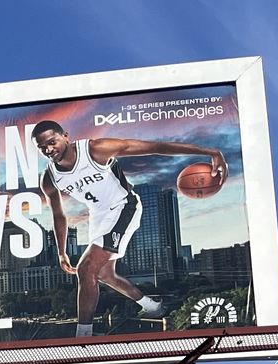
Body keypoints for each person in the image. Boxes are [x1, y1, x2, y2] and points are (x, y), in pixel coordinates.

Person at [34, 119, 226, 337]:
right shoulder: (49, 178)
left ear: (65, 136)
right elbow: (59, 215)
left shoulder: (95, 150)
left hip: (125, 206)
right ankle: (153, 306)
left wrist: (210, 151)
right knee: (105, 274)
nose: (49, 149)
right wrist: (61, 252)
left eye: (52, 142)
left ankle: (83, 337)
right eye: (42, 148)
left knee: (86, 268)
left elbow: (154, 147)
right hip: (99, 215)